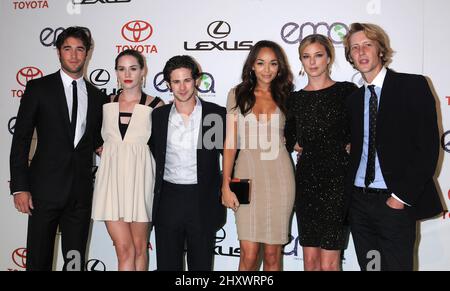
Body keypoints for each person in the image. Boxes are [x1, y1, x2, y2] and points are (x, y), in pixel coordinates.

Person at [343, 23, 443, 271]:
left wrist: (401, 198)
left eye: (367, 44)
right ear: (350, 57)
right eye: (355, 48)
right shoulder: (354, 100)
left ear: (380, 49)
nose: (361, 52)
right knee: (372, 268)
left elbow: (428, 148)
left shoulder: (412, 86)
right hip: (359, 202)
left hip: (394, 202)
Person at [9, 26, 105, 271]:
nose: (73, 55)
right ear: (58, 53)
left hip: (80, 196)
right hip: (43, 192)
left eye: (79, 49)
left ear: (88, 53)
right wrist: (20, 187)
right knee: (38, 261)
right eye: (67, 49)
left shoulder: (97, 96)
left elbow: (96, 141)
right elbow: (20, 139)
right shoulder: (39, 88)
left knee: (74, 262)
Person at [285, 34, 357, 271]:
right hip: (306, 184)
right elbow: (287, 139)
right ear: (301, 61)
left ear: (328, 58)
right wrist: (293, 143)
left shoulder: (347, 92)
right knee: (310, 262)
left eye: (318, 55)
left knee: (330, 263)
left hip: (338, 183)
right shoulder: (293, 100)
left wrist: (352, 144)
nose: (312, 62)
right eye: (306, 57)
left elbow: (361, 132)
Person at [222, 40, 295, 271]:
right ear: (252, 65)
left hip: (281, 178)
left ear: (279, 67)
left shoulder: (287, 96)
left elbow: (297, 135)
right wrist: (225, 185)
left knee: (273, 256)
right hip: (246, 178)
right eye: (261, 63)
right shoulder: (237, 94)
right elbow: (230, 143)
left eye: (273, 63)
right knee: (249, 254)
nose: (267, 69)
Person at [150, 55, 226, 271]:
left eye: (187, 80)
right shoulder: (158, 117)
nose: (182, 87)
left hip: (202, 199)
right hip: (168, 200)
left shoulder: (214, 114)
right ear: (168, 84)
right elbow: (150, 152)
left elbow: (229, 155)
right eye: (176, 82)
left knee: (201, 267)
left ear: (196, 81)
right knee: (167, 265)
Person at [91, 49, 163, 271]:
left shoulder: (156, 105)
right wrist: (99, 146)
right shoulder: (105, 103)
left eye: (133, 68)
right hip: (111, 181)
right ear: (116, 73)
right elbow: (89, 133)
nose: (127, 74)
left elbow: (162, 147)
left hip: (141, 180)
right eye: (121, 69)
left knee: (139, 247)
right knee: (123, 249)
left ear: (143, 71)